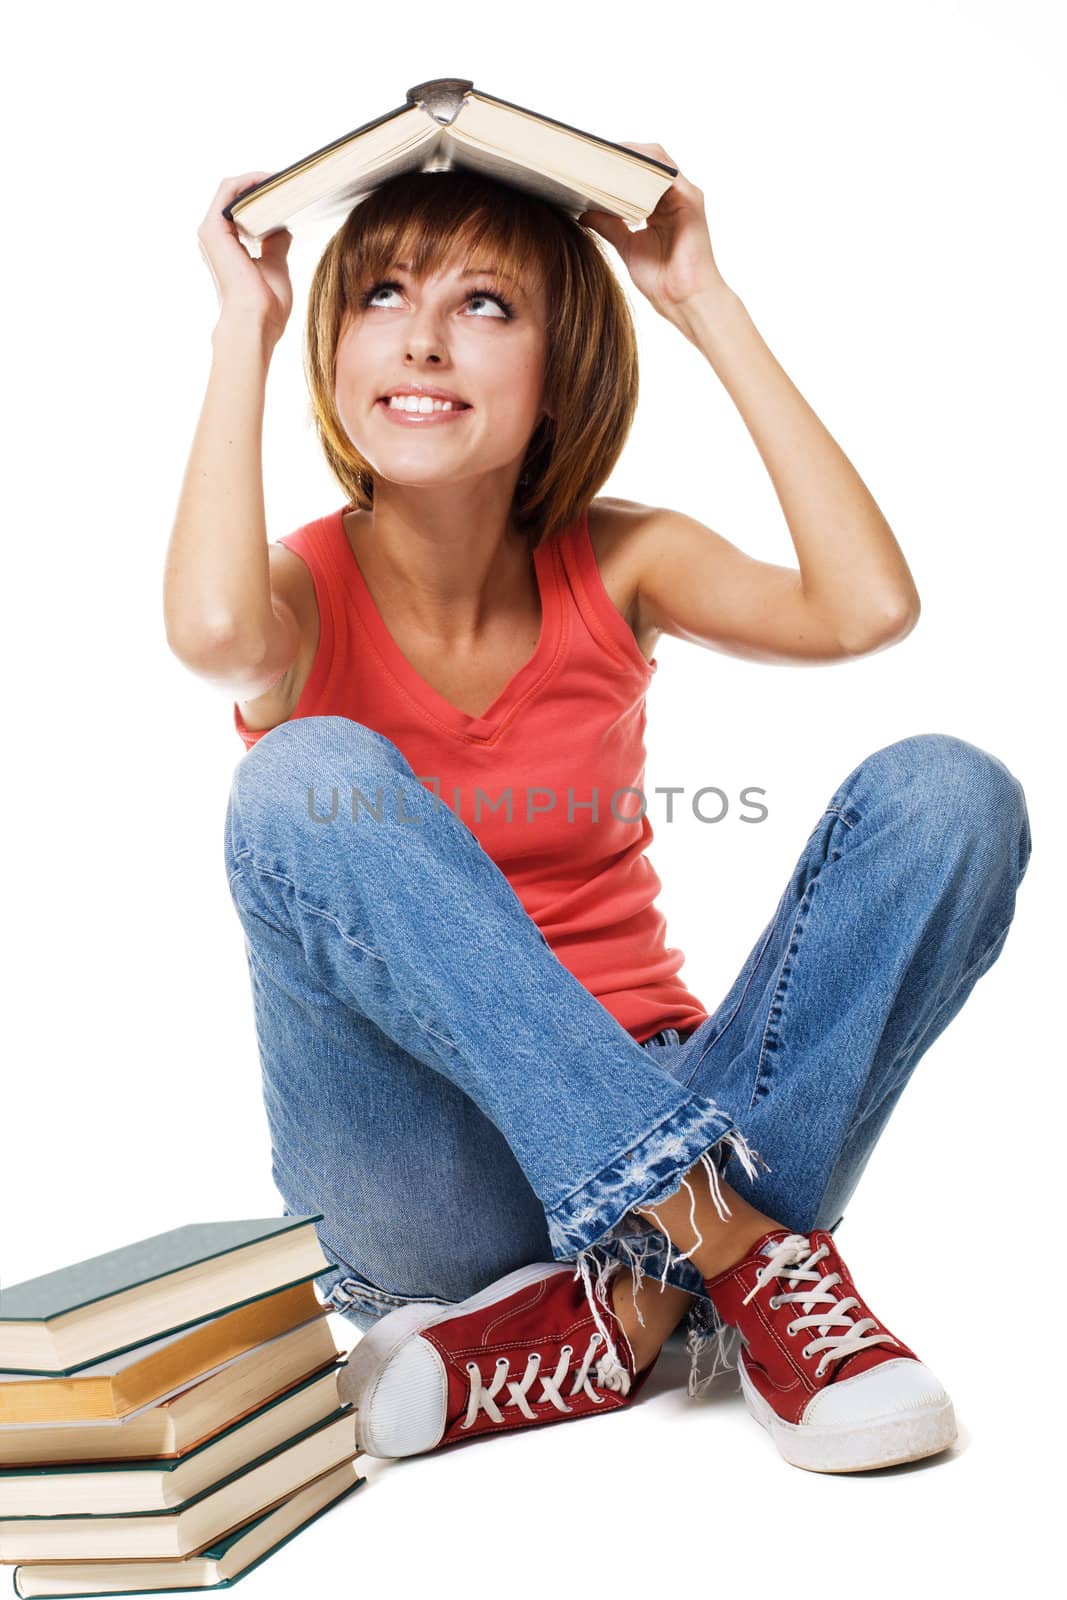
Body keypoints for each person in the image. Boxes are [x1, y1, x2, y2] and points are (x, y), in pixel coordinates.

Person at [164, 150, 1031, 1475]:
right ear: (335, 352)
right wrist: (245, 321)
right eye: (384, 295)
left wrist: (701, 299)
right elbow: (215, 634)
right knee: (297, 778)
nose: (427, 339)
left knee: (950, 794)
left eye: (488, 306)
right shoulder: (296, 594)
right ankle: (726, 1257)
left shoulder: (620, 560)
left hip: (665, 1082)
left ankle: (605, 1317)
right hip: (431, 1178)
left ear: (561, 368)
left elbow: (866, 608)